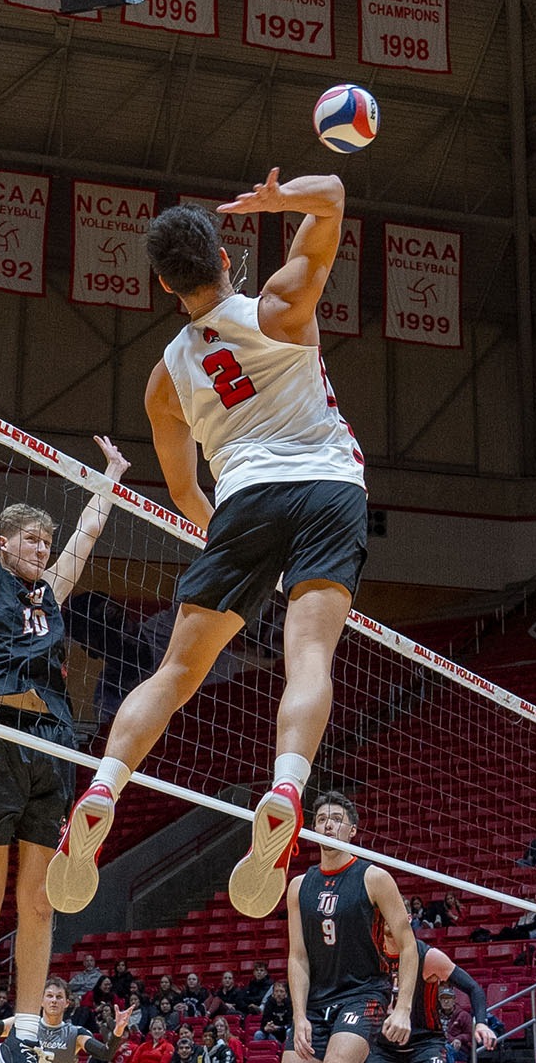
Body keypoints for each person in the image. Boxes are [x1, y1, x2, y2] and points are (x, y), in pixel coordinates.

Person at [48, 172, 369, 920]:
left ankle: (104, 786)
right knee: (310, 656)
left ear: (165, 283)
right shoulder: (280, 307)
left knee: (173, 673)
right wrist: (279, 202)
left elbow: (188, 494)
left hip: (243, 501)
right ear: (227, 256)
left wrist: (233, 542)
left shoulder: (166, 379)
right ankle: (287, 785)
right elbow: (333, 196)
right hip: (328, 488)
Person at [0, 340, 132, 1063]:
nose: (43, 549)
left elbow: (88, 532)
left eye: (46, 541)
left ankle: (26, 1032)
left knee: (39, 899)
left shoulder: (55, 589)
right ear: (7, 545)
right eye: (31, 540)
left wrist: (109, 479)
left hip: (54, 747)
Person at [285, 793, 419, 1063]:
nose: (328, 826)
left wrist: (403, 1008)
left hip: (363, 994)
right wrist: (298, 1016)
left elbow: (408, 946)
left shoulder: (375, 878)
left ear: (352, 831)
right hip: (315, 1001)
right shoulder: (298, 886)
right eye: (322, 820)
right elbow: (298, 956)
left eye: (337, 819)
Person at [379, 942, 495, 1063]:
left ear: (409, 921)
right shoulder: (373, 952)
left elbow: (473, 988)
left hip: (425, 1044)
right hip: (381, 1045)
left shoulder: (429, 956)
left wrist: (481, 1023)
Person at [31, 976, 131, 1063]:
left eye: (59, 997)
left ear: (67, 1003)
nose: (54, 1000)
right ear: (41, 1001)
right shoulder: (27, 1027)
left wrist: (118, 1029)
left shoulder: (76, 1033)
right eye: (49, 996)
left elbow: (106, 1054)